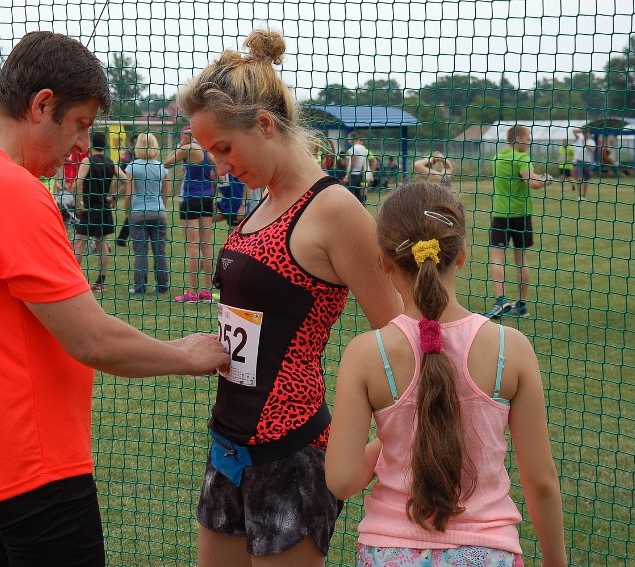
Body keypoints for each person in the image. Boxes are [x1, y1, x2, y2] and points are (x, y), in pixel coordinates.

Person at [0, 31, 229, 567]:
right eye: (80, 124)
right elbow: (92, 338)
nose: (83, 145)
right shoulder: (9, 189)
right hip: (35, 465)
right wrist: (189, 354)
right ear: (41, 105)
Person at [176, 29, 402, 566]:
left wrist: (379, 447)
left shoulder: (334, 210)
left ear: (265, 125)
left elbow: (400, 332)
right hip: (227, 445)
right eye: (211, 153)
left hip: (292, 452)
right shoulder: (258, 204)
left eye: (224, 148)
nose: (221, 167)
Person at [326, 180, 567, 567]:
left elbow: (341, 479)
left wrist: (386, 446)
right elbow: (540, 481)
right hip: (488, 553)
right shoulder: (511, 348)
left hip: (388, 552)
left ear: (384, 261)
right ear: (461, 256)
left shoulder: (366, 354)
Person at [486, 125, 553, 319]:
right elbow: (531, 182)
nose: (530, 141)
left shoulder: (497, 157)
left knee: (497, 258)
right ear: (519, 138)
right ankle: (522, 306)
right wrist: (546, 179)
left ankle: (500, 301)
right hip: (521, 215)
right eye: (528, 137)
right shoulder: (522, 158)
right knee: (521, 260)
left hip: (500, 213)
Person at [164, 125, 216, 303]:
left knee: (192, 246)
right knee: (206, 245)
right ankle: (207, 291)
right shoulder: (209, 151)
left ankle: (192, 292)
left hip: (190, 199)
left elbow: (167, 163)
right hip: (207, 199)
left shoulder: (187, 149)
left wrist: (180, 145)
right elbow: (216, 176)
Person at [73, 131, 127, 291]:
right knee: (102, 244)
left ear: (90, 145)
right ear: (105, 146)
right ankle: (101, 282)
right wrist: (114, 198)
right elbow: (125, 180)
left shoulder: (87, 161)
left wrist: (79, 206)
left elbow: (76, 184)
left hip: (91, 210)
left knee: (79, 242)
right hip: (104, 209)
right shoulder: (111, 162)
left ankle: (74, 280)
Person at [122, 132, 170, 295]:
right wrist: (161, 208)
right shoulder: (162, 168)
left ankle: (140, 287)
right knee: (160, 251)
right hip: (158, 212)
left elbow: (129, 193)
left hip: (138, 213)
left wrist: (127, 210)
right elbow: (165, 195)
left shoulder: (132, 167)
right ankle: (162, 285)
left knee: (140, 251)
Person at [341, 132, 369, 204]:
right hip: (359, 174)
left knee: (350, 194)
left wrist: (347, 175)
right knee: (359, 195)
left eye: (349, 138)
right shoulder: (363, 148)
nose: (348, 140)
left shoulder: (354, 148)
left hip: (353, 174)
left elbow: (353, 160)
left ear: (352, 138)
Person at [571, 128, 596, 201]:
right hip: (579, 161)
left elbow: (592, 150)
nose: (586, 134)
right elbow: (574, 131)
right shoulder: (579, 139)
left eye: (587, 133)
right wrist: (583, 130)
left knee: (586, 180)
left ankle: (583, 196)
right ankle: (579, 196)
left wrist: (586, 145)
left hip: (587, 162)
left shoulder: (591, 141)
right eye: (585, 133)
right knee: (579, 178)